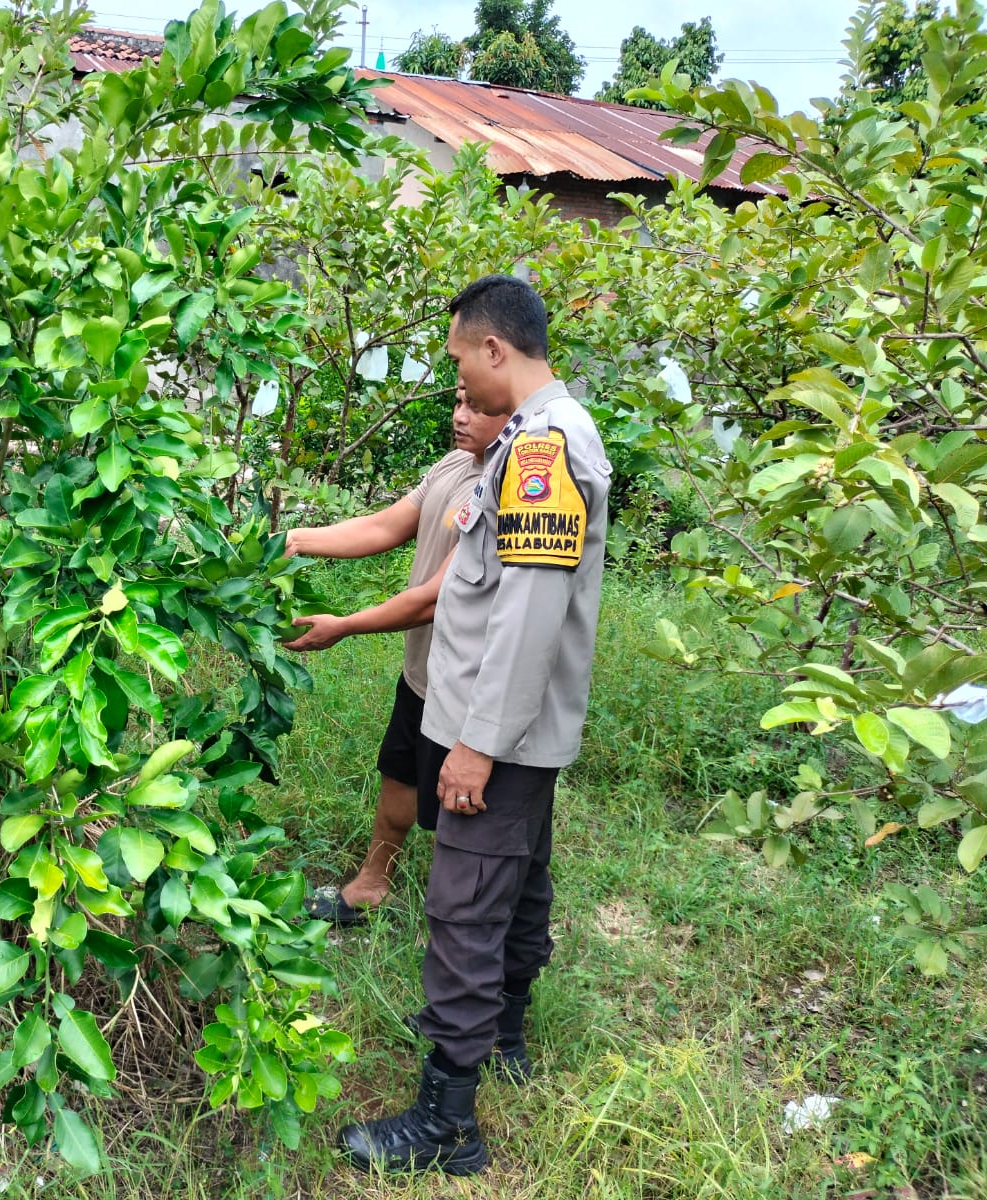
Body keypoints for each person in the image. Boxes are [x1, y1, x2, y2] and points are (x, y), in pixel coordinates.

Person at [331, 274, 612, 1176]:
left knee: (464, 913)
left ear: (496, 348)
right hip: (517, 731)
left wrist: (476, 745)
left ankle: (446, 1122)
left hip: (500, 736)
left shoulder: (542, 452)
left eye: (460, 359)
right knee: (519, 886)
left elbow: (525, 615)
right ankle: (506, 1039)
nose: (459, 379)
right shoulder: (534, 438)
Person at [282, 400, 509, 923]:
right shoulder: (454, 464)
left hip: (470, 680)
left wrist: (343, 625)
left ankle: (464, 916)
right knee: (400, 771)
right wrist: (296, 540)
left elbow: (434, 599)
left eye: (476, 405)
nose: (460, 415)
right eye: (458, 400)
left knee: (466, 798)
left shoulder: (506, 484)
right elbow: (386, 526)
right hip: (425, 668)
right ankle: (372, 883)